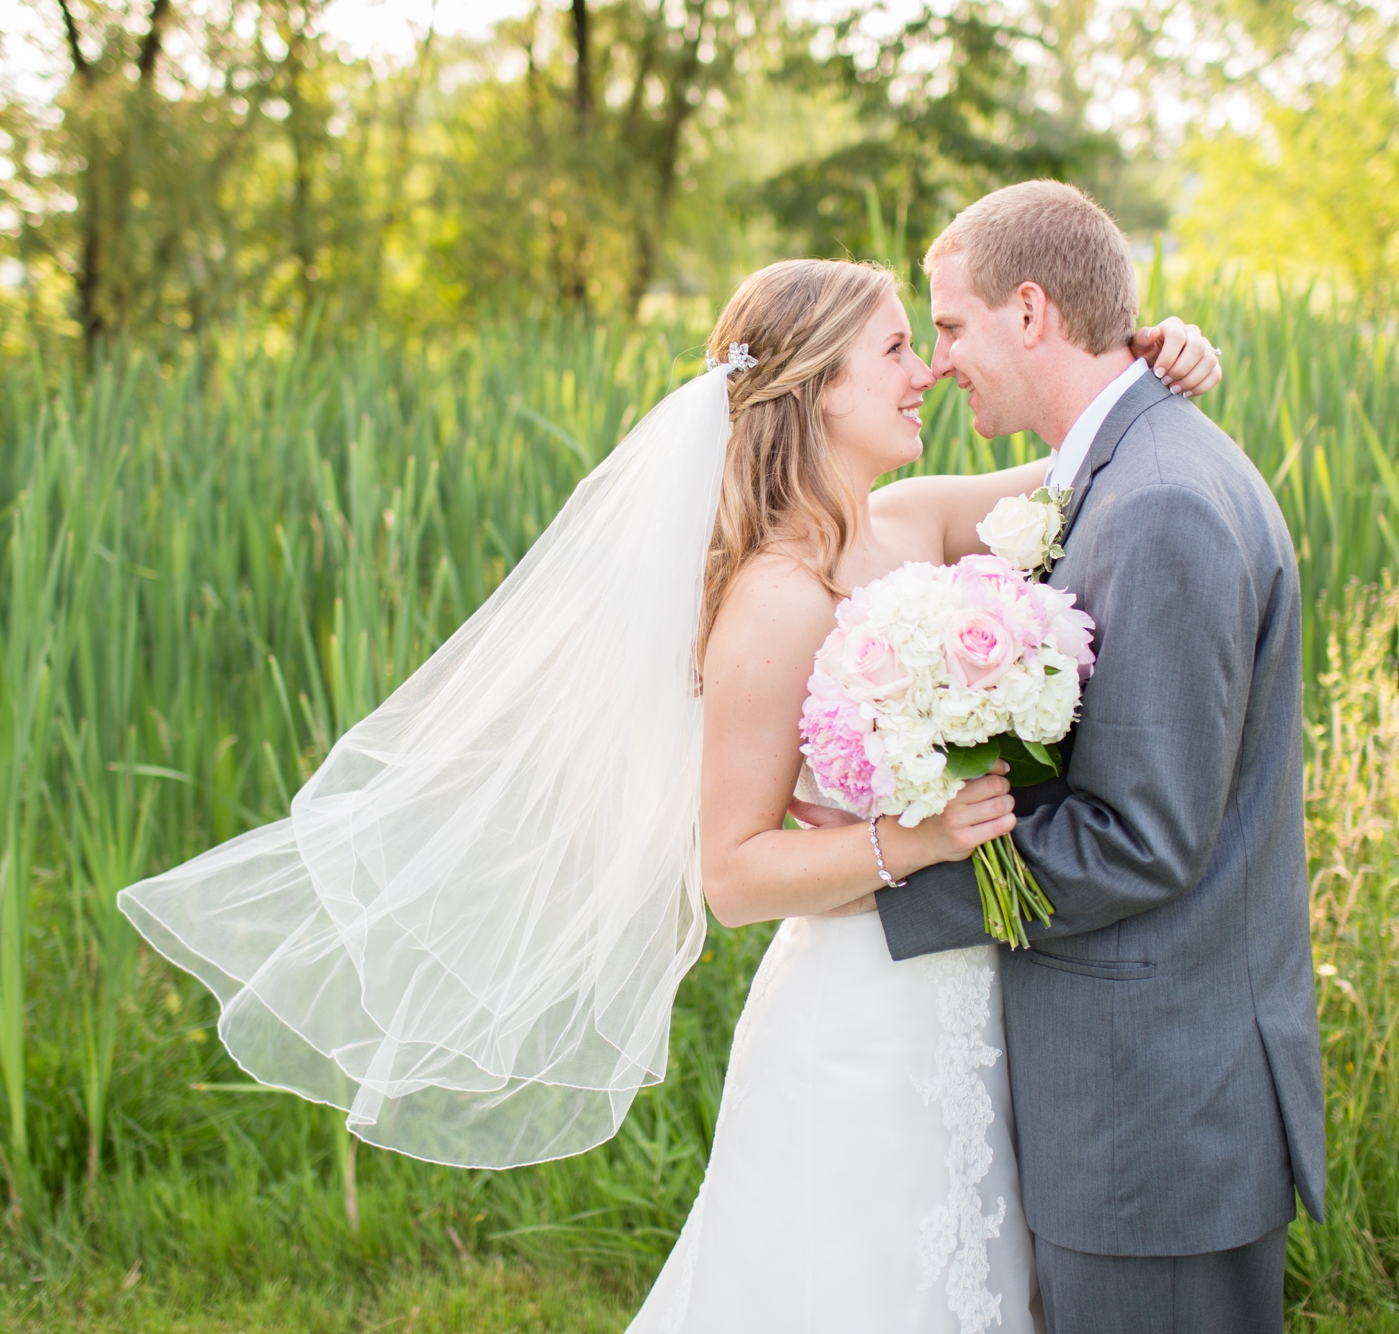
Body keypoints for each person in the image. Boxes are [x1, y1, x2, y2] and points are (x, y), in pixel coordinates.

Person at [117, 238, 1224, 1331]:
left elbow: (1087, 462)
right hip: (859, 1010)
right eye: (893, 349)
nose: (923, 370)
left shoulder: (909, 518)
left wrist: (1156, 360)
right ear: (820, 390)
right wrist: (919, 840)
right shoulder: (772, 601)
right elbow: (733, 873)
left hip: (972, 994)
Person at [797, 182, 1326, 1334]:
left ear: (1028, 312)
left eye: (944, 326)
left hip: (1154, 1111)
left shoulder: (1159, 502)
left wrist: (886, 869)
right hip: (1127, 1089)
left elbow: (1142, 838)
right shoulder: (1115, 470)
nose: (935, 363)